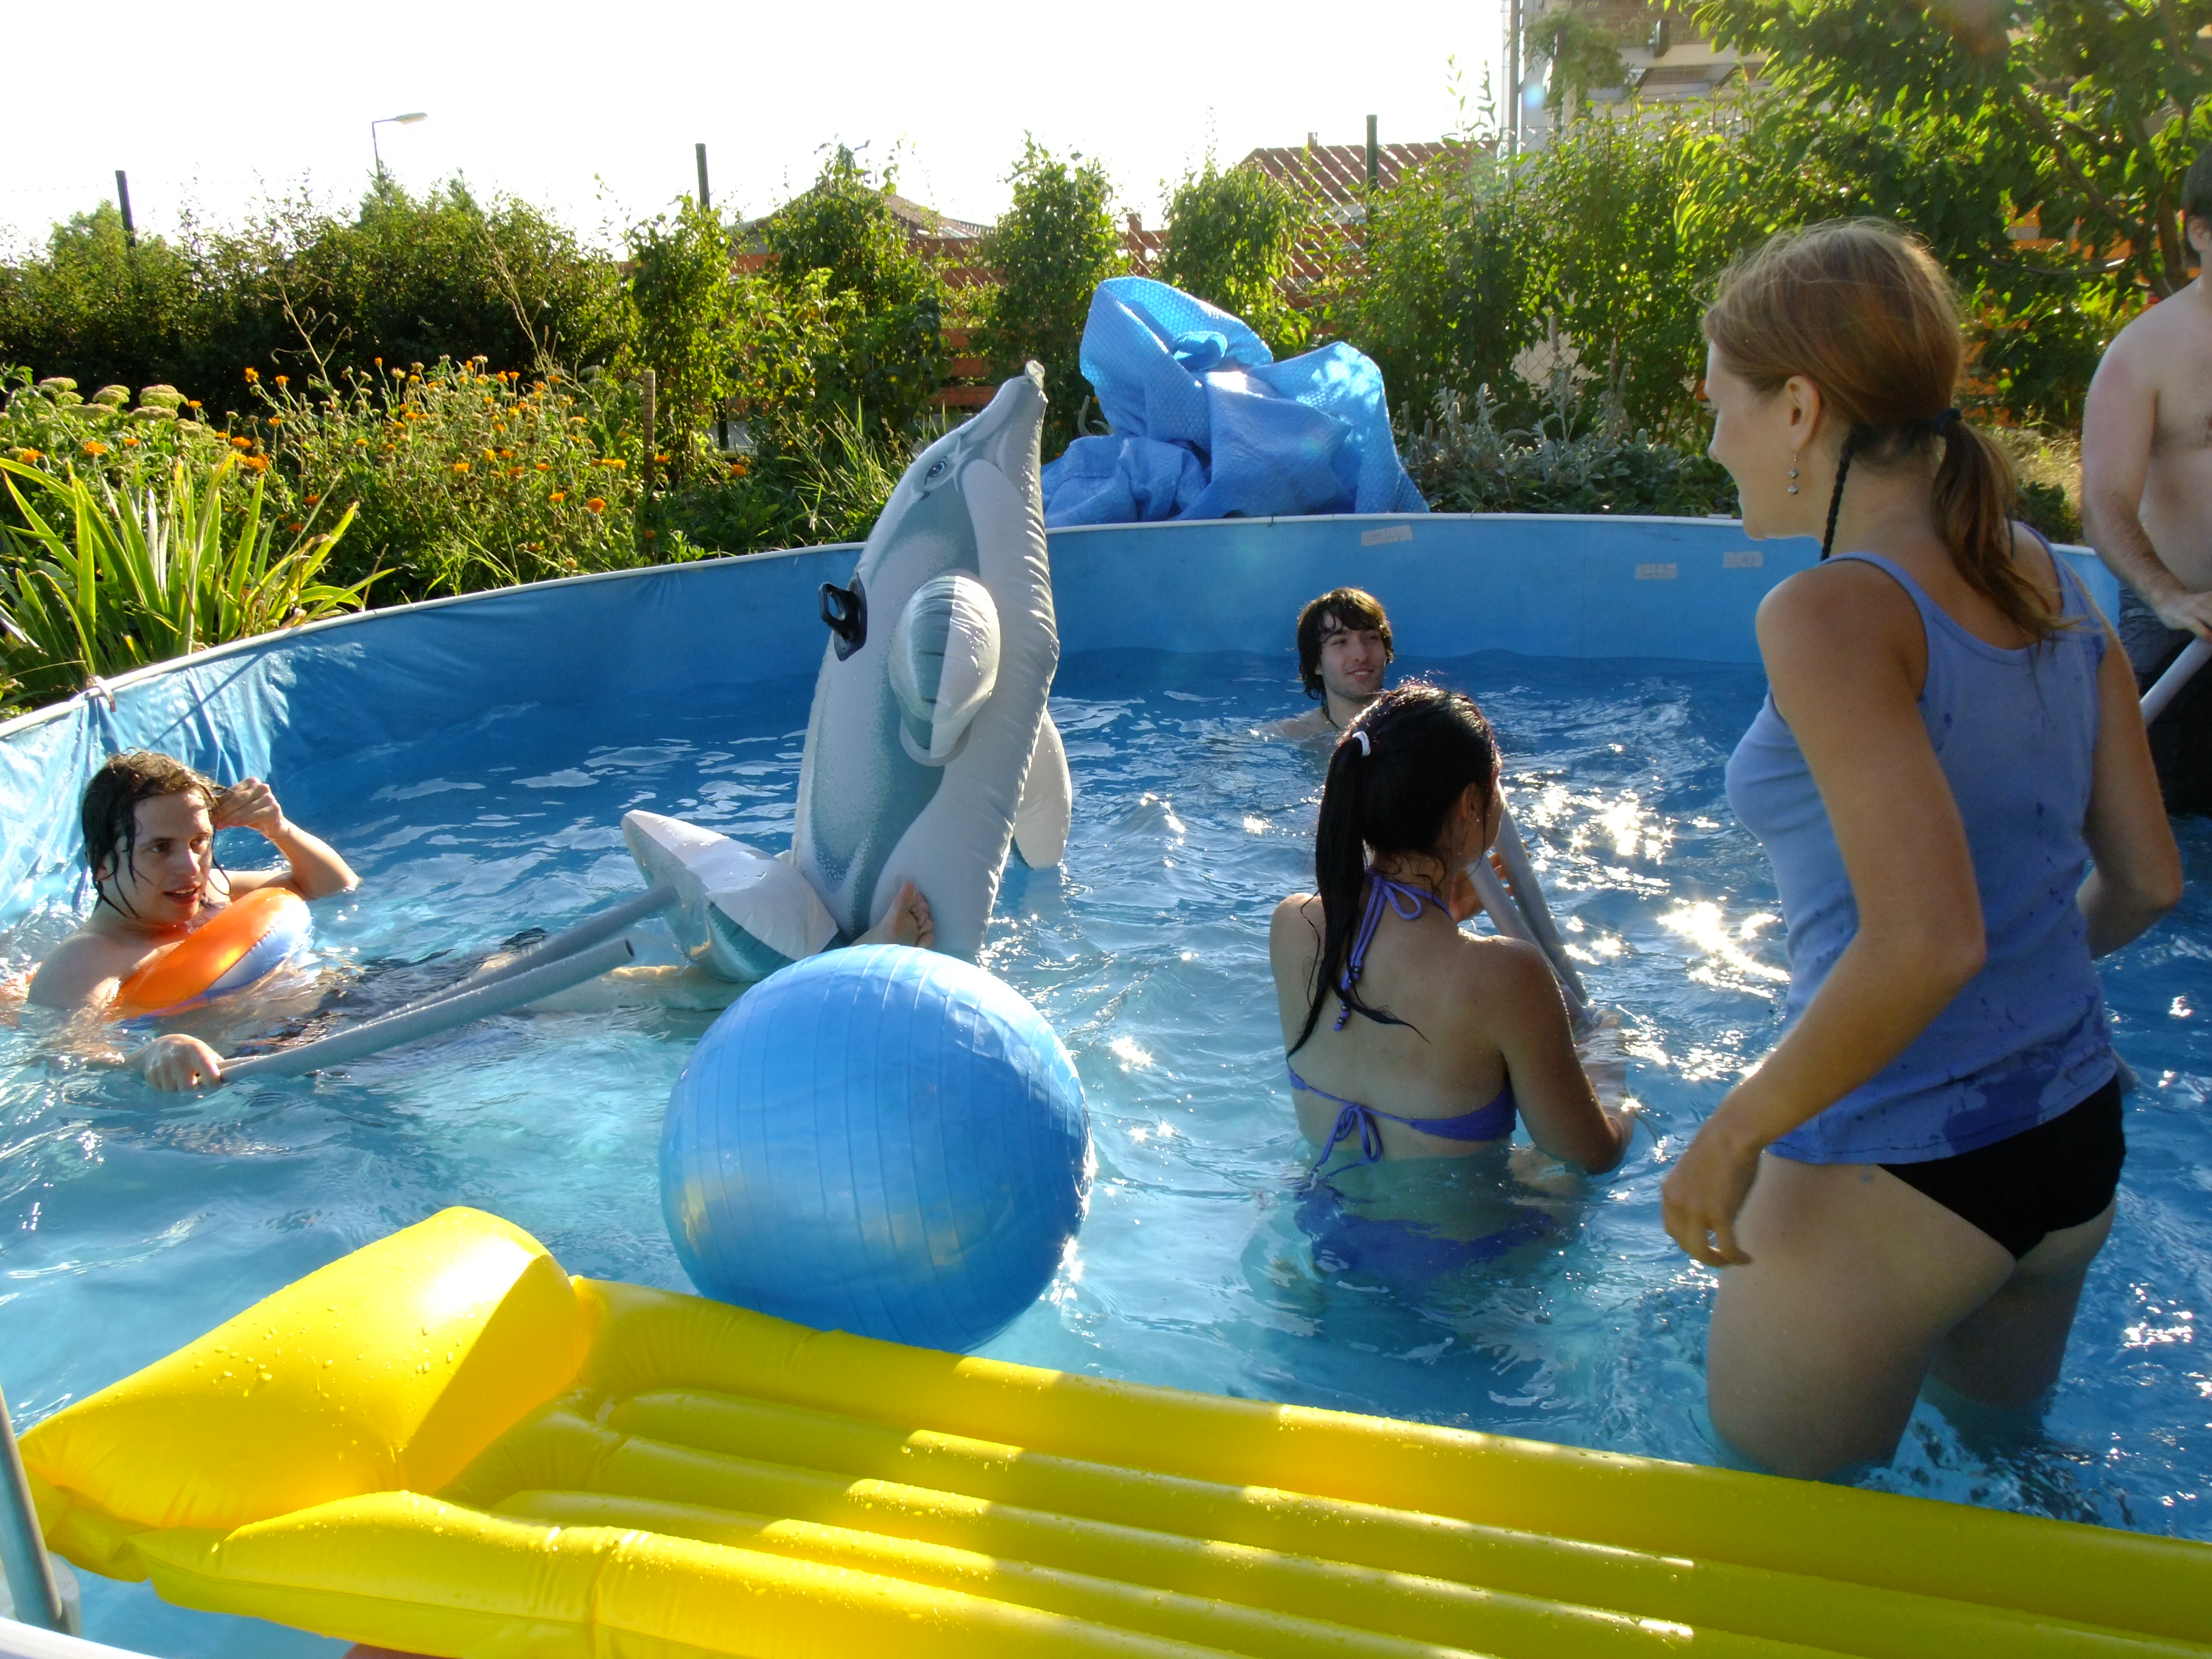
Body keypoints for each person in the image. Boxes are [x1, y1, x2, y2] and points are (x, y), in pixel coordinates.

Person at [1670, 220, 2183, 1480]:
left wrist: (1732, 1130)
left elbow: (1928, 940)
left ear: (1800, 408)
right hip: (2073, 1140)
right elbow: (2147, 879)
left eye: (1720, 402)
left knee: (1767, 1545)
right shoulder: (2043, 572)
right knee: (2004, 1482)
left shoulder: (1828, 611)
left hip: (1895, 1165)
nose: (1713, 438)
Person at [1269, 683, 1634, 1198]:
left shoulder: (1294, 924)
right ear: (1470, 804)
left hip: (1317, 1225)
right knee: (1565, 1190)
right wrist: (1608, 1067)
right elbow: (1590, 1155)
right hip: (1466, 1248)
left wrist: (1444, 917)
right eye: (1498, 785)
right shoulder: (1509, 976)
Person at [27, 751, 359, 1089]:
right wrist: (145, 1057)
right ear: (102, 864)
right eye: (160, 848)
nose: (190, 867)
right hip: (261, 1073)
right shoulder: (87, 960)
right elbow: (60, 1054)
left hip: (342, 1012)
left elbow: (336, 887)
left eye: (198, 842)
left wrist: (280, 830)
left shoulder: (213, 891)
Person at [2080, 142, 2212, 815]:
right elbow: (2103, 503)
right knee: (2161, 826)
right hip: (2182, 630)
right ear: (2199, 231)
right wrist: (2170, 597)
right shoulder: (2145, 352)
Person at [1271, 588, 1394, 738]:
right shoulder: (1287, 734)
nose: (1361, 655)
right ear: (1316, 663)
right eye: (1340, 642)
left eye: (1371, 638)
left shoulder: (1416, 722)